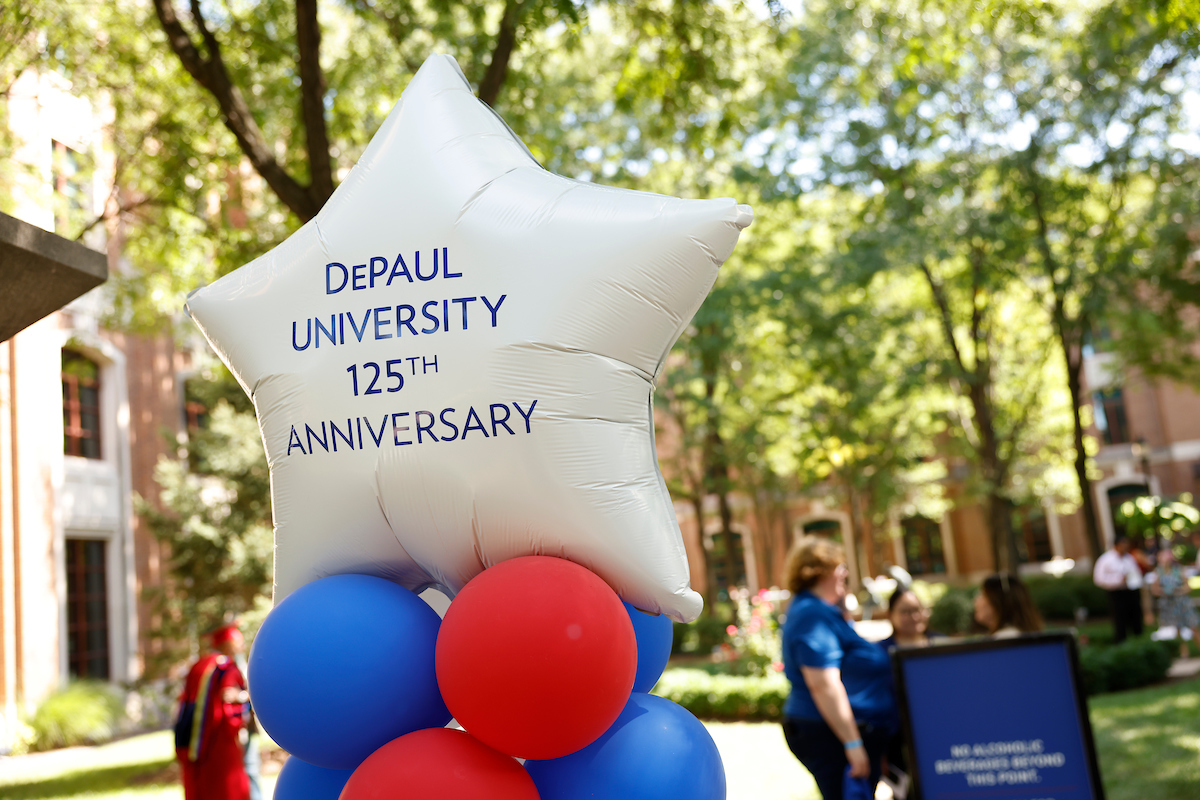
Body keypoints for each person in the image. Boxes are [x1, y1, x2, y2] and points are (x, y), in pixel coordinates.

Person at [780, 536, 898, 800]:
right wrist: (853, 743)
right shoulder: (811, 614)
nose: (845, 572)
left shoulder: (822, 610)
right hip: (827, 734)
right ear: (819, 571)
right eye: (840, 566)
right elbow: (823, 684)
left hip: (840, 731)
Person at [174, 623, 251, 800]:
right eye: (238, 641)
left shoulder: (199, 664)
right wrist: (245, 698)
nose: (242, 646)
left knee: (203, 783)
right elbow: (228, 696)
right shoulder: (226, 667)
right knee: (226, 785)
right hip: (220, 736)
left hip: (196, 737)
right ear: (227, 644)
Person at [1093, 536, 1144, 643]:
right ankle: (1122, 642)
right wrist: (1118, 580)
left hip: (1131, 591)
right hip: (1116, 593)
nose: (1125, 547)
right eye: (1122, 544)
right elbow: (1098, 579)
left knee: (1136, 617)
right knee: (1120, 619)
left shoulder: (1129, 558)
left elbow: (1135, 573)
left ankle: (1139, 641)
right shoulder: (1105, 559)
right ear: (1116, 545)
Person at [1150, 547, 1199, 658]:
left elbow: (1188, 586)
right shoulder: (1158, 572)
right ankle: (1184, 654)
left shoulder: (1179, 570)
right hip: (1170, 604)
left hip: (1182, 602)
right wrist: (1165, 592)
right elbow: (1155, 590)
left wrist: (1179, 590)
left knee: (1193, 626)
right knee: (1177, 630)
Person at [973, 573, 1044, 637]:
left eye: (982, 594)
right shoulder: (1025, 635)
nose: (975, 600)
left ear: (998, 602)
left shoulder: (1005, 639)